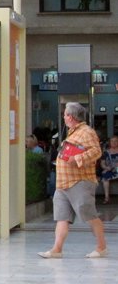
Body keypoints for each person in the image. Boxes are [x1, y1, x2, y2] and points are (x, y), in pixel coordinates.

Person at [38, 102, 107, 259]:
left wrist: (78, 158)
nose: (63, 117)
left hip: (79, 182)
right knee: (62, 217)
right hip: (63, 184)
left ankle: (101, 247)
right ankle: (57, 249)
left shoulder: (86, 132)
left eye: (65, 115)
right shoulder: (73, 133)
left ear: (71, 116)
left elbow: (96, 151)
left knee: (90, 215)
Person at [99, 135, 118, 204]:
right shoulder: (106, 152)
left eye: (116, 141)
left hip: (117, 169)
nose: (114, 142)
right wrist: (106, 168)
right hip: (110, 169)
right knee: (105, 176)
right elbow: (102, 163)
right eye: (112, 141)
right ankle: (107, 198)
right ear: (109, 142)